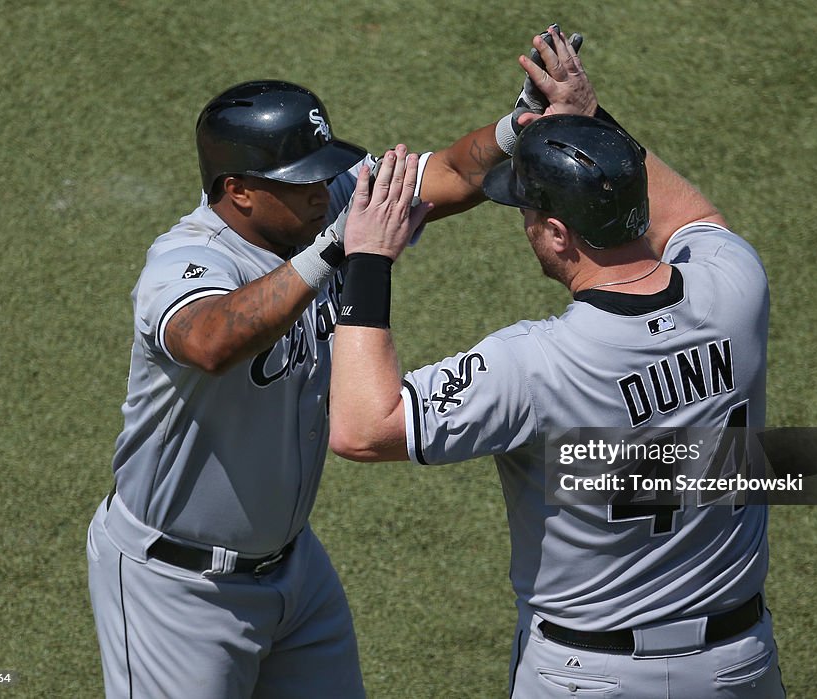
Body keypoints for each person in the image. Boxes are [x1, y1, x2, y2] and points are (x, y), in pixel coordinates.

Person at [85, 26, 598, 698]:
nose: (320, 187)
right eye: (298, 179)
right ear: (237, 189)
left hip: (294, 570)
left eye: (323, 169)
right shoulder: (188, 262)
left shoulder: (320, 206)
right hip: (178, 588)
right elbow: (208, 340)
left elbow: (445, 173)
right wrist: (336, 248)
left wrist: (517, 125)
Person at [328, 48, 786, 699]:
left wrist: (367, 260)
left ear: (558, 235)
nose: (522, 225)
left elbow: (360, 427)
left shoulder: (534, 364)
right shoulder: (735, 289)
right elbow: (693, 219)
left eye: (528, 214)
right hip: (735, 664)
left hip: (592, 676)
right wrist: (593, 121)